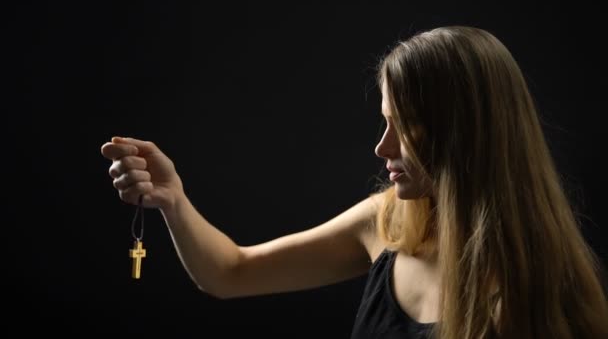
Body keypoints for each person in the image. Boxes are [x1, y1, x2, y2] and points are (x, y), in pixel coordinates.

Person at [100, 25, 608, 338]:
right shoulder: (386, 221)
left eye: (405, 128)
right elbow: (231, 272)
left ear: (466, 136)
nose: (382, 149)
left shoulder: (534, 296)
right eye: (384, 122)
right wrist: (174, 200)